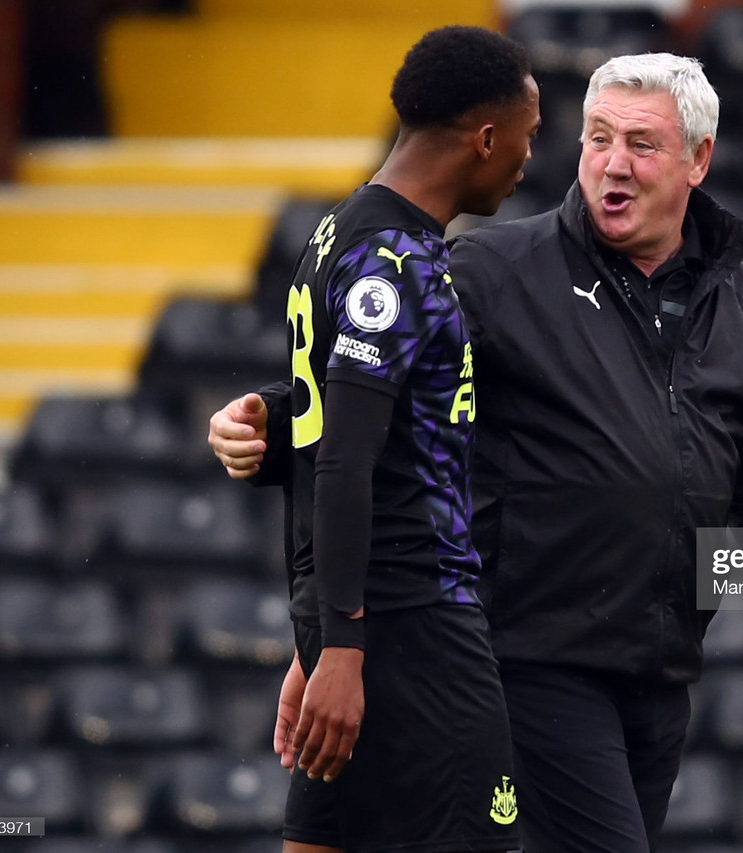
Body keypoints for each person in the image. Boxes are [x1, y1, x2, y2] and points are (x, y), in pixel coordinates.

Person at [211, 53, 743, 853]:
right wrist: (274, 425)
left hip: (660, 680)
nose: (613, 163)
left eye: (642, 143)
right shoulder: (492, 270)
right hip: (526, 660)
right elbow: (376, 395)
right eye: (598, 138)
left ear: (699, 160)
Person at [261, 25, 540, 853]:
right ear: (486, 138)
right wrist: (341, 647)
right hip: (414, 620)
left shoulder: (336, 231)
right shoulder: (396, 260)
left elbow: (319, 444)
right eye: (526, 138)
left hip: (353, 612)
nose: (528, 161)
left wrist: (322, 635)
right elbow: (347, 457)